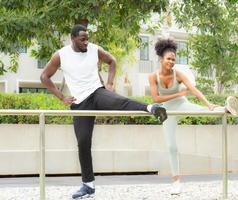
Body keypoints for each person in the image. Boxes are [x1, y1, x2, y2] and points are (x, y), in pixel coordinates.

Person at [40, 24, 167, 199]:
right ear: (73, 39)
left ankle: (151, 108)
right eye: (82, 39)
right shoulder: (61, 55)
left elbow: (112, 61)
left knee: (119, 101)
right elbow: (44, 77)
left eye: (87, 38)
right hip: (79, 102)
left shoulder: (94, 49)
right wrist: (61, 97)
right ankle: (88, 186)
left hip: (97, 92)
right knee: (83, 142)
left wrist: (109, 84)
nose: (86, 42)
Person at [148, 38, 238, 195]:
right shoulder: (153, 76)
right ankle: (176, 182)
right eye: (168, 59)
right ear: (161, 59)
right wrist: (179, 93)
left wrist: (208, 103)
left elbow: (194, 90)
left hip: (181, 105)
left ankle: (225, 108)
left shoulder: (179, 74)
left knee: (206, 110)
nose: (171, 62)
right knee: (171, 146)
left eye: (173, 59)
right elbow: (156, 99)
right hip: (166, 112)